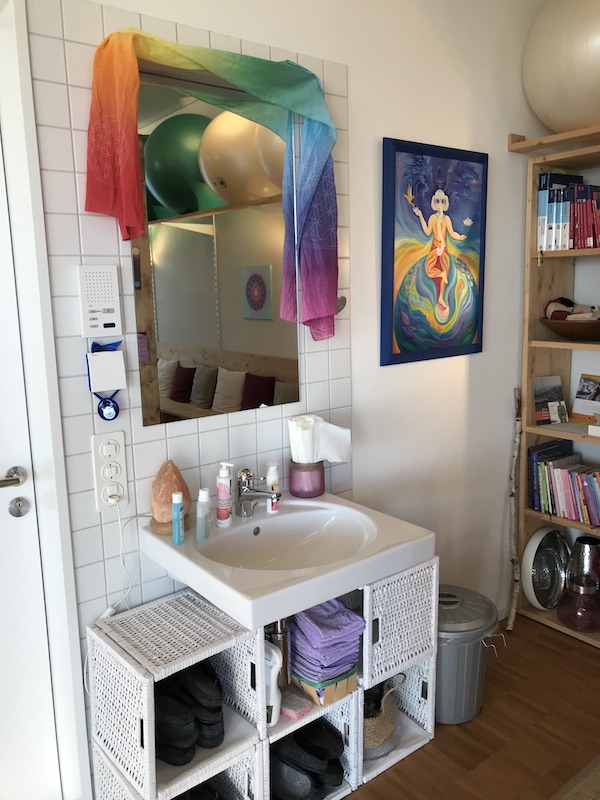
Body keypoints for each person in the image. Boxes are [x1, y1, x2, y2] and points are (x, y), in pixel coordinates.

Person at [412, 189, 466, 312]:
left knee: (444, 273)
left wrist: (460, 237)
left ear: (445, 203)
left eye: (442, 201)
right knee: (429, 269)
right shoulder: (432, 218)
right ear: (434, 203)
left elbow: (452, 233)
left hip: (444, 250)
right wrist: (420, 215)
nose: (440, 204)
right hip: (434, 249)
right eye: (437, 201)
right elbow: (427, 232)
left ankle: (441, 297)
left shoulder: (446, 219)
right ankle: (440, 275)